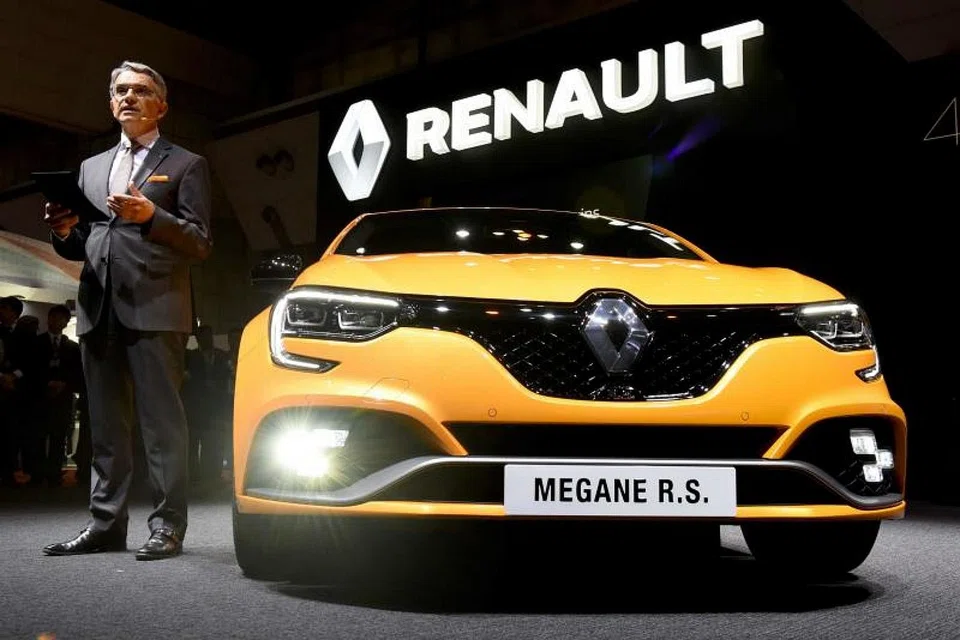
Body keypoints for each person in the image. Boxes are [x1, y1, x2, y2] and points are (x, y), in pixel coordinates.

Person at [41, 60, 212, 560]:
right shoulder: (91, 168)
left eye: (140, 90)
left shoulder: (187, 164)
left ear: (161, 105)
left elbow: (200, 242)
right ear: (111, 102)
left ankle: (168, 526)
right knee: (106, 428)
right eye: (120, 90)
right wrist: (64, 230)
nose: (129, 97)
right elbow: (86, 242)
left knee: (162, 426)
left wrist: (152, 215)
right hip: (98, 307)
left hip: (156, 307)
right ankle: (105, 524)